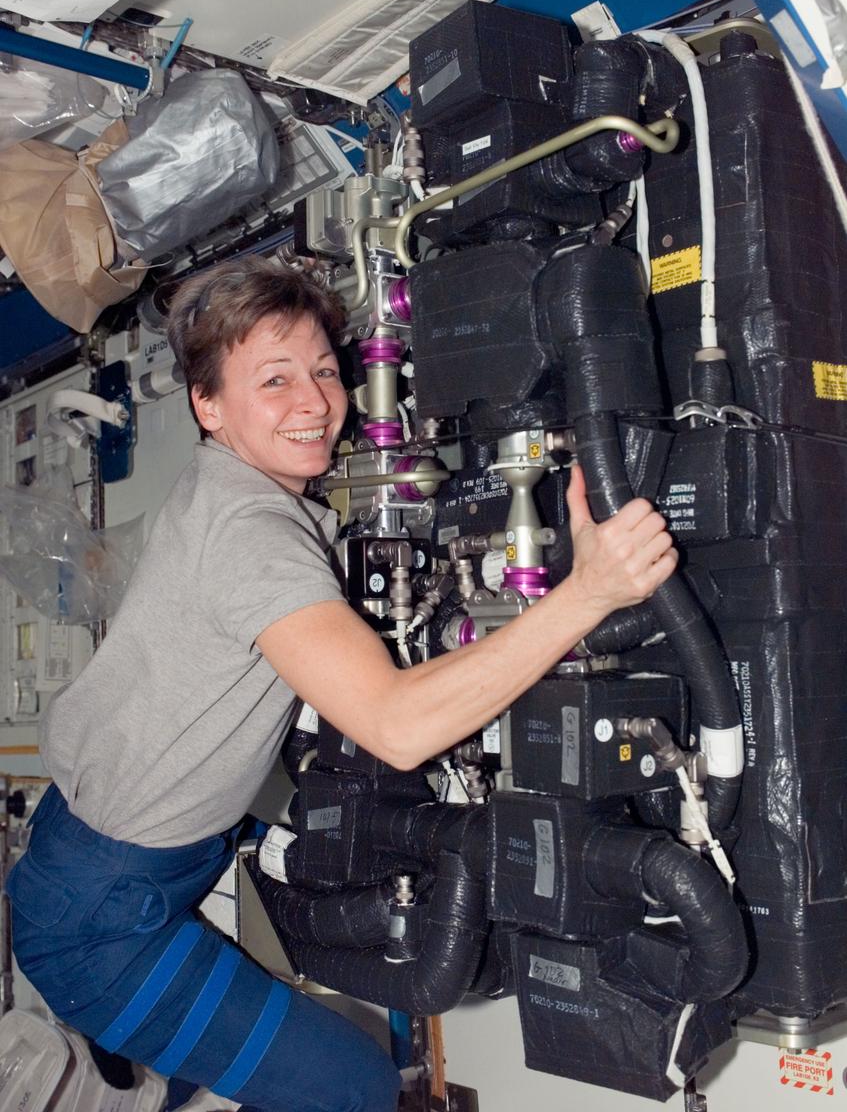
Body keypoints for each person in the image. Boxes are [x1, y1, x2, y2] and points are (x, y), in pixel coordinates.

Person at [6, 255, 677, 1112]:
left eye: (325, 371)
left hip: (108, 857)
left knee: (231, 1058)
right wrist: (587, 594)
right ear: (207, 406)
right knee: (350, 1086)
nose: (315, 402)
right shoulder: (252, 531)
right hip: (101, 920)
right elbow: (396, 725)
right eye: (274, 378)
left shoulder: (235, 489)